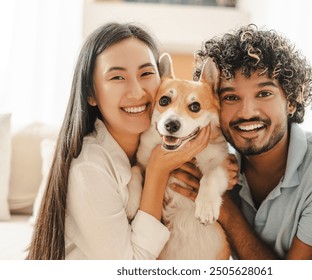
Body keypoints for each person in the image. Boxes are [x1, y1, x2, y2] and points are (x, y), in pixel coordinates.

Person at [174, 24, 312, 259]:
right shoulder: (214, 164)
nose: (246, 112)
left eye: (264, 93)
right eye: (231, 97)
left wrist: (225, 207)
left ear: (291, 101)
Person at [26, 22, 210, 260]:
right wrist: (157, 170)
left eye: (146, 73)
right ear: (91, 94)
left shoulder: (155, 146)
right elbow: (128, 268)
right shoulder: (89, 168)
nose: (136, 92)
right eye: (117, 77)